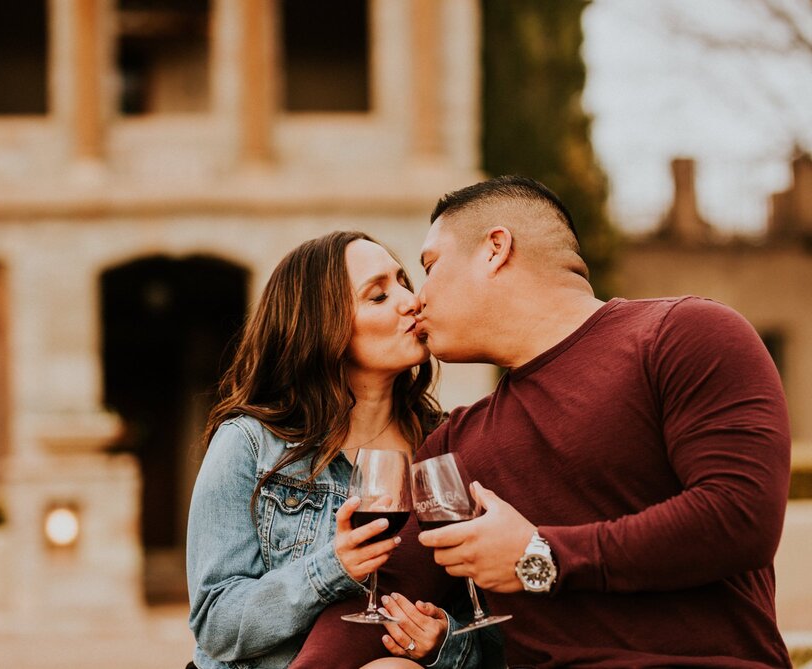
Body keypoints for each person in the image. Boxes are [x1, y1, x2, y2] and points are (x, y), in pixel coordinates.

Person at [290, 176, 792, 668]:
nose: (416, 300)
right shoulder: (452, 446)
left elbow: (738, 517)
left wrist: (540, 557)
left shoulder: (683, 335)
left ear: (494, 249)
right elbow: (375, 607)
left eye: (430, 266)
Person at [186, 231, 488, 669]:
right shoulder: (251, 442)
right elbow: (215, 624)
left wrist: (443, 642)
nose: (411, 300)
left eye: (405, 282)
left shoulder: (441, 445)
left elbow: (490, 626)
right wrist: (331, 569)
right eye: (380, 295)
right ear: (323, 326)